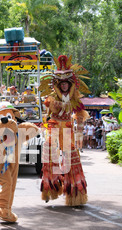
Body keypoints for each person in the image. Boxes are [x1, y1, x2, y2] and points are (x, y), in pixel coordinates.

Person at [39, 55, 90, 206]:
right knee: (49, 156)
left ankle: (75, 194)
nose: (64, 85)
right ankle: (50, 189)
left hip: (67, 128)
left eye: (66, 83)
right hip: (54, 127)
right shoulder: (52, 97)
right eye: (61, 83)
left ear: (70, 83)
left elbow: (80, 114)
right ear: (57, 84)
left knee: (72, 158)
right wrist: (57, 103)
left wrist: (80, 129)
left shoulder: (74, 98)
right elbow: (49, 105)